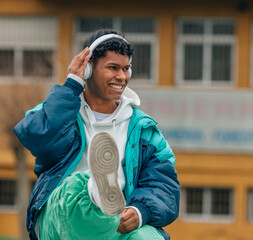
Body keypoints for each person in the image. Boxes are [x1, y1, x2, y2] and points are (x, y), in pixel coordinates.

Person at [13, 29, 180, 240]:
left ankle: (104, 199)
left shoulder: (144, 130)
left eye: (126, 68)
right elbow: (37, 137)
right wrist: (72, 84)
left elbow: (164, 186)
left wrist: (140, 212)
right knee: (76, 189)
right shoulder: (63, 112)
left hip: (116, 222)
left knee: (148, 238)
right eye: (113, 68)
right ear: (89, 68)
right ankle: (94, 192)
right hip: (62, 217)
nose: (121, 76)